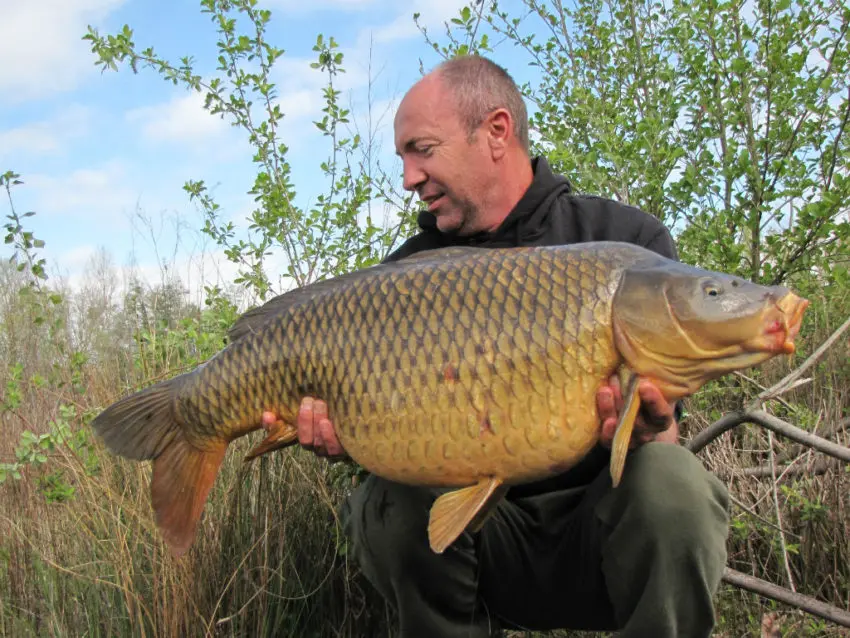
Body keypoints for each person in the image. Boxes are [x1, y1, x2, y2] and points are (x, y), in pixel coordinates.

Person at [265, 55, 730, 637]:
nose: (408, 177)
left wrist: (644, 429)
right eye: (404, 158)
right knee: (386, 503)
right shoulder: (405, 279)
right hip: (477, 548)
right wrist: (346, 438)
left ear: (496, 132)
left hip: (600, 539)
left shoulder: (625, 245)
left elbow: (665, 433)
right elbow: (375, 449)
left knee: (673, 484)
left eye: (422, 150)